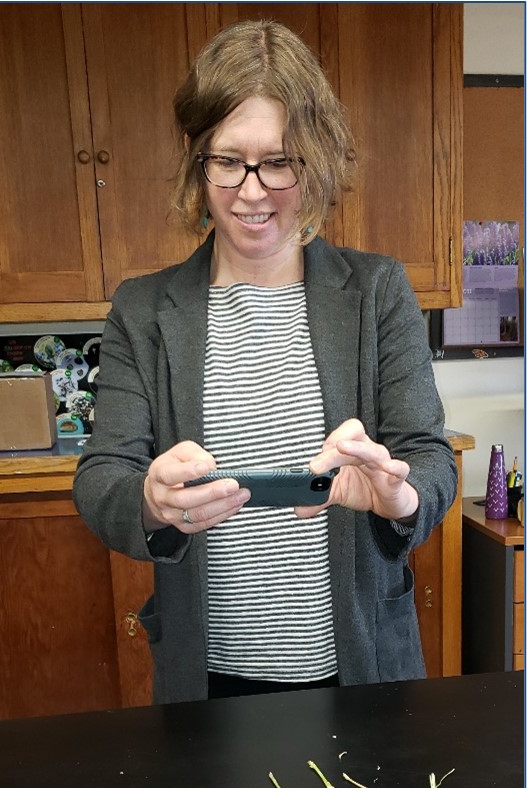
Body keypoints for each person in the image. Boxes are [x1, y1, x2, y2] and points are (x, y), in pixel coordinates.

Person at [73, 19, 457, 704]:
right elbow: (102, 477)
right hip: (209, 680)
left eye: (278, 161)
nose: (251, 191)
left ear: (317, 159)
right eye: (228, 160)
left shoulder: (375, 291)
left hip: (362, 672)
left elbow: (428, 460)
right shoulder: (144, 309)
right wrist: (149, 501)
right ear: (199, 158)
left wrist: (399, 496)